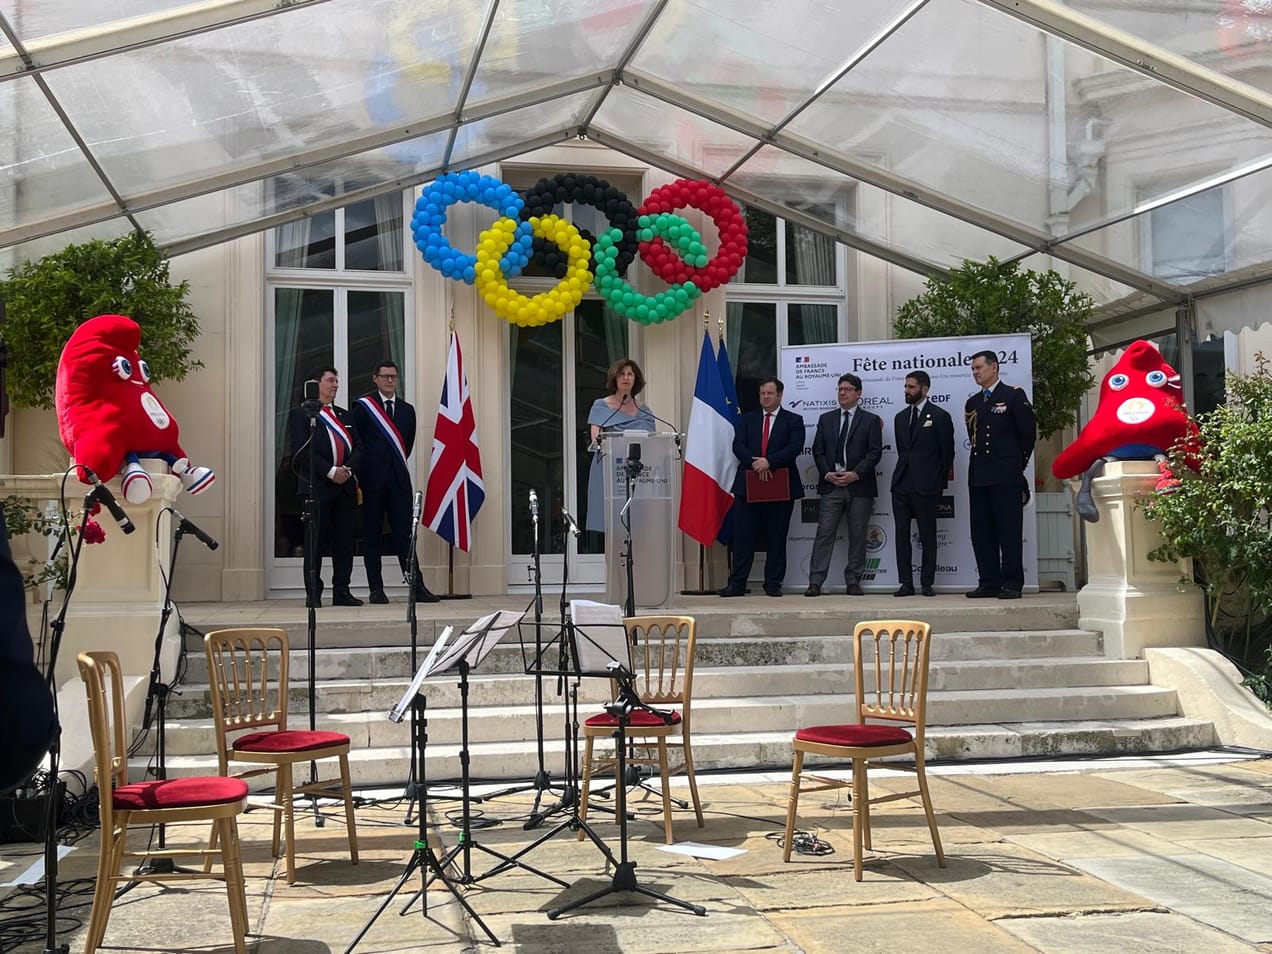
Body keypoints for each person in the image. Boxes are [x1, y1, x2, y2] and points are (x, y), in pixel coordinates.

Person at [351, 360, 440, 605]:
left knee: (405, 534)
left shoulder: (406, 410)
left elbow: (406, 445)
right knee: (372, 536)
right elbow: (356, 442)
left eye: (394, 377)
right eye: (386, 376)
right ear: (375, 379)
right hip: (372, 481)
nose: (390, 381)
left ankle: (417, 586)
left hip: (399, 480)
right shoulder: (363, 407)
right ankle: (376, 589)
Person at [719, 377, 804, 597]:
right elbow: (738, 445)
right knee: (743, 536)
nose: (765, 397)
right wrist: (757, 462)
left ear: (780, 395)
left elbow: (795, 446)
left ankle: (773, 584)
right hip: (749, 484)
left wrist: (770, 461)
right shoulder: (748, 419)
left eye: (769, 393)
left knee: (776, 536)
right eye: (762, 394)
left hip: (780, 485)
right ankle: (737, 583)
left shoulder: (793, 420)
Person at [964, 349, 1036, 600]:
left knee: (1008, 529)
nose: (975, 372)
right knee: (982, 530)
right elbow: (973, 437)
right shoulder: (972, 402)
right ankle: (989, 581)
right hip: (980, 473)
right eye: (973, 369)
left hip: (1006, 473)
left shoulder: (1013, 395)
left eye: (979, 368)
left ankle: (1012, 582)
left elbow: (1027, 434)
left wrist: (1017, 465)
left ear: (994, 367)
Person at [289, 366, 363, 607]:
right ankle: (314, 593)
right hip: (317, 487)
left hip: (345, 487)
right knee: (315, 543)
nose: (335, 385)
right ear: (316, 383)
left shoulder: (345, 415)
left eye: (337, 381)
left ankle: (342, 591)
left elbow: (359, 447)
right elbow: (302, 452)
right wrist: (331, 471)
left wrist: (347, 470)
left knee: (344, 543)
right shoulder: (302, 415)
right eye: (330, 380)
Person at [806, 372, 883, 597]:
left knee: (858, 534)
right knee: (824, 533)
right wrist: (827, 473)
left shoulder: (870, 420)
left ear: (858, 394)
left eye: (847, 389)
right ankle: (815, 581)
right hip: (831, 485)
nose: (842, 393)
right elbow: (817, 450)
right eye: (840, 389)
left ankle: (853, 581)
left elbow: (874, 453)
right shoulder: (826, 418)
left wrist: (855, 474)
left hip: (859, 486)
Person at [891, 370, 955, 597]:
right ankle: (905, 583)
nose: (906, 391)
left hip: (927, 486)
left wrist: (937, 482)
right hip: (901, 485)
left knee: (928, 535)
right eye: (906, 386)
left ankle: (927, 582)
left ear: (925, 390)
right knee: (901, 536)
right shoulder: (899, 417)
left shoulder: (939, 416)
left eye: (911, 387)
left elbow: (947, 454)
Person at [585, 358, 656, 533]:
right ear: (615, 379)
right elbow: (597, 438)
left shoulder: (644, 411)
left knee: (637, 525)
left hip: (638, 472)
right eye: (621, 374)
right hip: (609, 470)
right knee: (612, 525)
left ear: (635, 379)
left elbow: (653, 442)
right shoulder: (601, 406)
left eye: (630, 374)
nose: (626, 377)